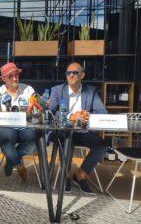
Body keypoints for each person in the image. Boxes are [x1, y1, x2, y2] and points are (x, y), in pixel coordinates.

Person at [49, 62, 110, 195]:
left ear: (82, 75)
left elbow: (102, 112)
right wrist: (70, 116)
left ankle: (80, 174)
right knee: (66, 142)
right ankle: (65, 175)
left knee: (103, 145)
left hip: (82, 131)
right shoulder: (57, 90)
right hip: (63, 130)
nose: (71, 75)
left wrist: (88, 115)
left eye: (75, 72)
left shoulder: (91, 91)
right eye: (68, 73)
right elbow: (50, 112)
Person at [0, 62, 37, 182]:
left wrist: (34, 106)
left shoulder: (28, 89)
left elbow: (35, 104)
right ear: (3, 78)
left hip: (25, 126)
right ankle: (19, 165)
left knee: (32, 144)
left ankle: (11, 160)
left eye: (16, 75)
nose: (15, 78)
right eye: (10, 76)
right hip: (6, 127)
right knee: (6, 140)